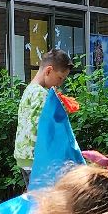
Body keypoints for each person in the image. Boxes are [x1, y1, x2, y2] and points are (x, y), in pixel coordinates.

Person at [15, 50, 75, 184]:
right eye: (60, 78)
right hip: (38, 158)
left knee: (36, 198)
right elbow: (45, 126)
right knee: (43, 201)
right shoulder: (41, 94)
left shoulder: (29, 89)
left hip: (24, 155)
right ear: (48, 71)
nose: (60, 83)